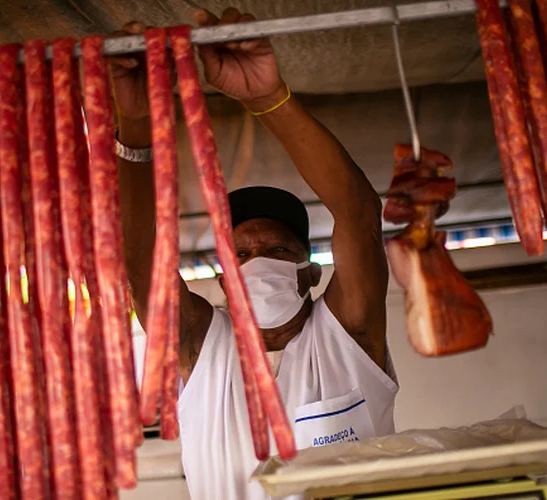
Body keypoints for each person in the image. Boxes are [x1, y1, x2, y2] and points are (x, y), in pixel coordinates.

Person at [112, 8, 398, 500]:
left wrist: (268, 99)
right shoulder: (202, 345)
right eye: (240, 254)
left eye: (277, 248)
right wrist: (135, 124)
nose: (257, 259)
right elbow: (141, 264)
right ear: (224, 281)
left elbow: (358, 212)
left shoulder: (347, 335)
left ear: (309, 273)